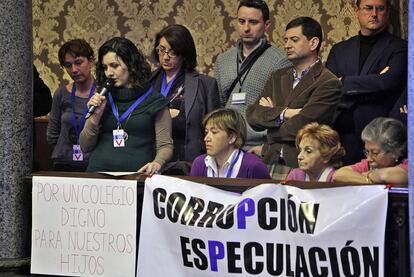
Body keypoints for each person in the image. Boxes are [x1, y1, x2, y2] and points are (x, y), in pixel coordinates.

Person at [246, 17, 341, 180]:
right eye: (286, 40)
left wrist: (271, 126)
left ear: (313, 43)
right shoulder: (277, 76)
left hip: (303, 166)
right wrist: (285, 113)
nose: (287, 45)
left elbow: (303, 124)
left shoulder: (328, 81)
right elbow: (253, 115)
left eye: (294, 40)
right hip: (269, 161)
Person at [326, 0, 407, 165]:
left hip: (379, 138)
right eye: (368, 8)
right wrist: (373, 81)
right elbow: (329, 87)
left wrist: (345, 82)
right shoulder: (340, 49)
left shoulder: (400, 48)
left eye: (380, 9)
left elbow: (388, 82)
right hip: (340, 134)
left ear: (388, 12)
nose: (374, 14)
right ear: (357, 10)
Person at [79, 37, 173, 173]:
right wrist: (94, 118)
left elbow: (165, 145)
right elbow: (85, 146)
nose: (109, 73)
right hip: (98, 175)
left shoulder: (155, 101)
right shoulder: (102, 97)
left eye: (114, 65)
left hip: (137, 177)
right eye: (105, 67)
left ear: (131, 64)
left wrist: (157, 163)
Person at [214, 0, 290, 156]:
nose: (246, 28)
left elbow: (281, 111)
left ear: (267, 25)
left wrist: (269, 148)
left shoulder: (280, 60)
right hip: (226, 147)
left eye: (253, 22)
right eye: (241, 21)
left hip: (258, 147)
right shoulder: (223, 60)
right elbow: (219, 105)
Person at [150, 24, 220, 162]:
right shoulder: (147, 82)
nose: (165, 57)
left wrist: (172, 116)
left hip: (188, 159)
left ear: (184, 53)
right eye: (161, 50)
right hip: (151, 158)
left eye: (173, 52)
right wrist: (170, 114)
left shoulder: (205, 84)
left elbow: (213, 128)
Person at [46, 39, 97, 171]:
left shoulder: (102, 94)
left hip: (94, 164)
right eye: (68, 65)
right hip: (64, 162)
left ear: (91, 61)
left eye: (78, 63)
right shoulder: (61, 93)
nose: (74, 70)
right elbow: (52, 134)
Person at [190, 108, 270, 179]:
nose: (206, 139)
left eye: (214, 132)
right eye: (206, 132)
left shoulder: (254, 166)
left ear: (232, 138)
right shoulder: (199, 163)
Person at [333, 117, 407, 185]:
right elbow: (339, 174)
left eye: (375, 153)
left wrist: (367, 174)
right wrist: (368, 180)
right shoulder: (370, 164)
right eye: (367, 152)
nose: (369, 159)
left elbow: (385, 176)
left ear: (396, 152)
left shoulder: (408, 164)